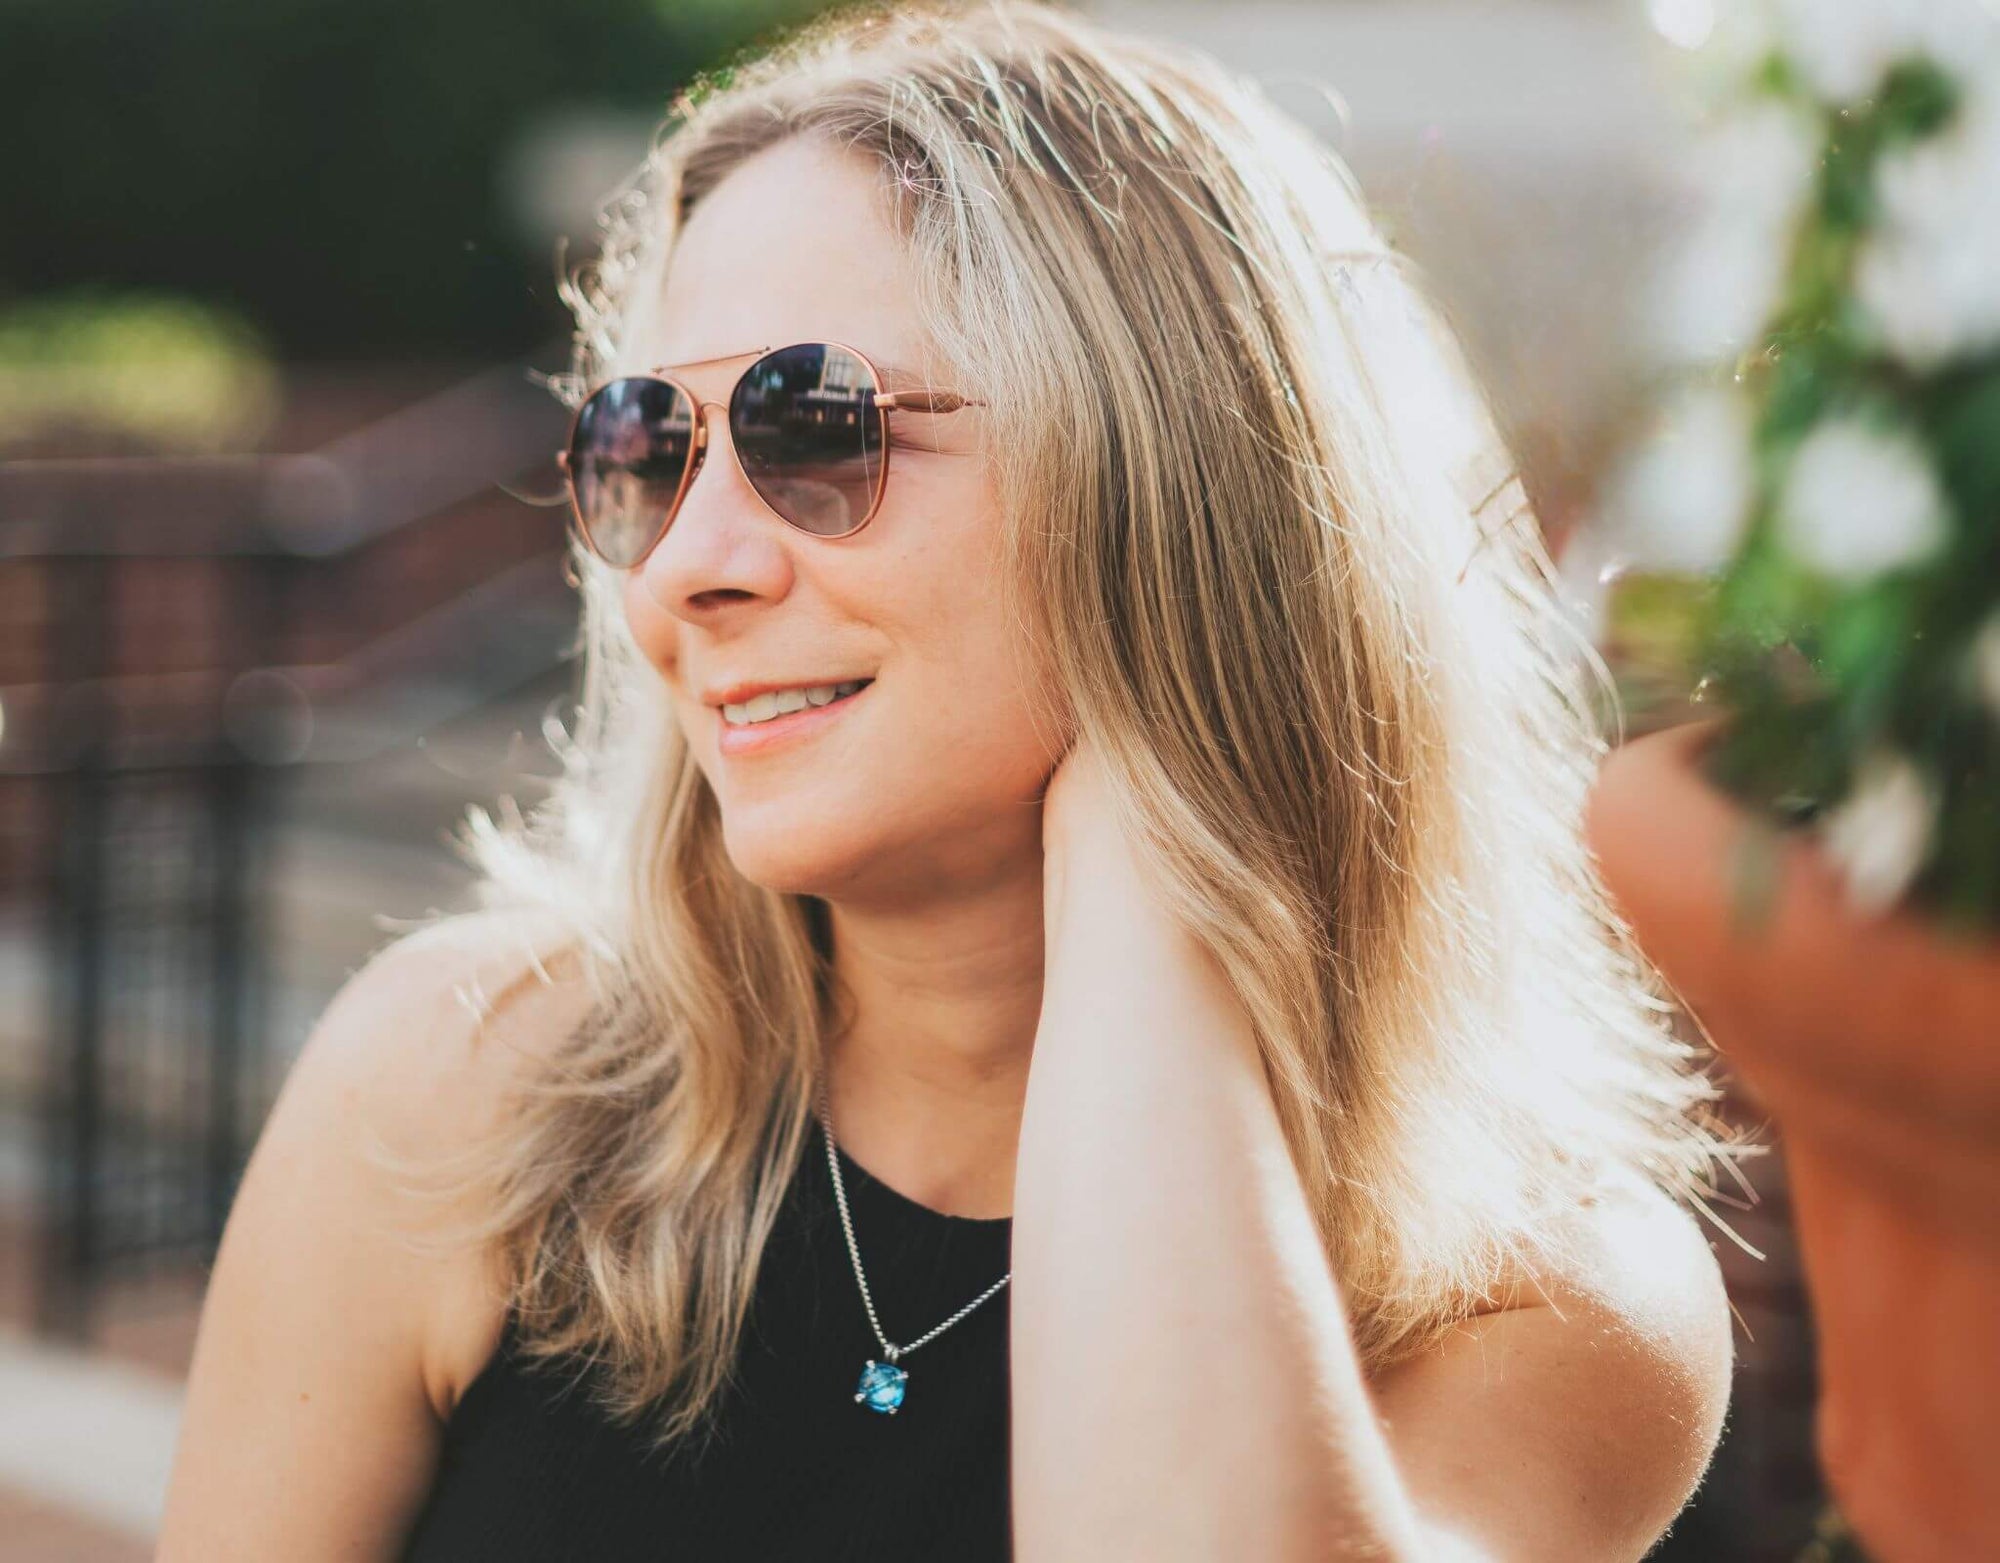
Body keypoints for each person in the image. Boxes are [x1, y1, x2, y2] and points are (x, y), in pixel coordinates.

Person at [158, 2, 1753, 1557]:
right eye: (650, 448)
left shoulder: (1546, 1296)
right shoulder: (462, 1094)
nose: (683, 572)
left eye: (813, 426)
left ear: (1165, 478)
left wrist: (1156, 821)